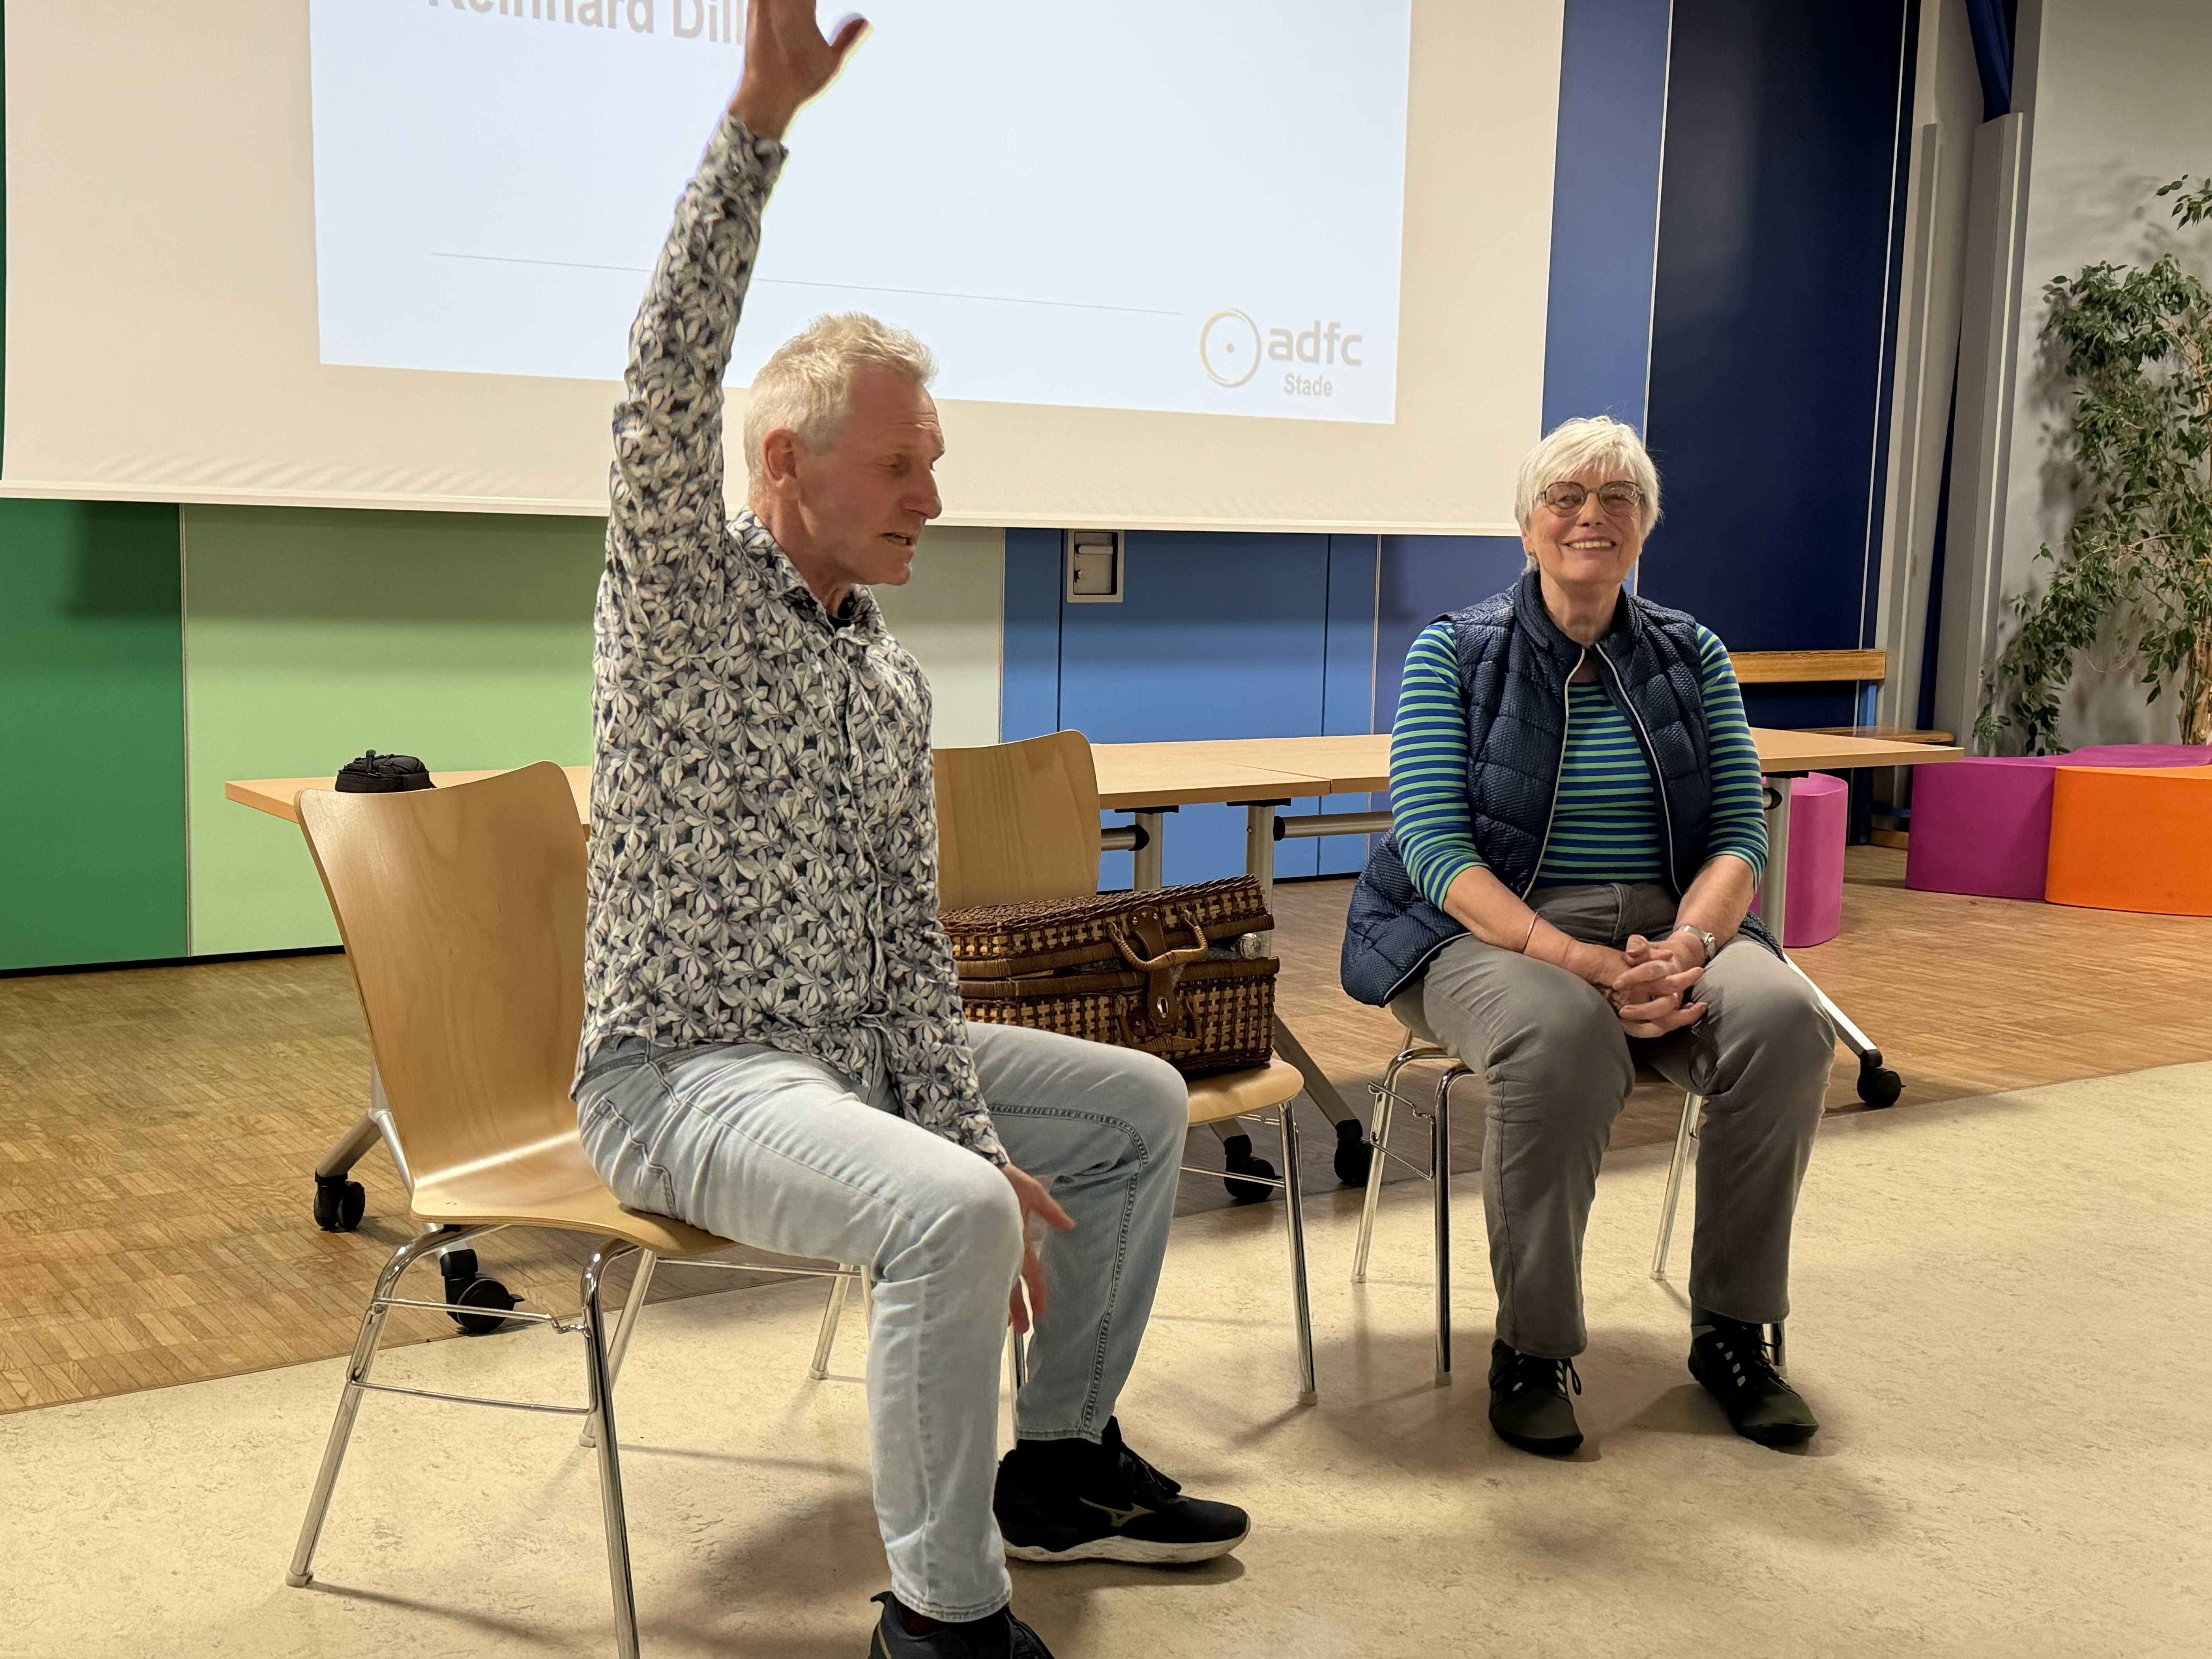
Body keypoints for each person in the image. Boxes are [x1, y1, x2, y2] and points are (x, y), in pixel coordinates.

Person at [570, 7, 1247, 1655]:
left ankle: (1061, 1461)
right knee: (948, 1210)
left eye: (936, 465)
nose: (932, 503)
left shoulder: (884, 683)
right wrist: (755, 130)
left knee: (1135, 1106)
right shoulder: (680, 597)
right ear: (786, 463)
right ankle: (939, 1621)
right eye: (900, 468)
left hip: (851, 1061)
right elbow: (663, 383)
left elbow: (903, 969)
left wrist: (964, 1124)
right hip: (687, 1077)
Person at [1340, 416, 1836, 1456]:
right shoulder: (1455, 650)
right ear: (1527, 525)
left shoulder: (1692, 652)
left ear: (1645, 528)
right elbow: (1433, 845)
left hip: (1669, 927)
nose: (1591, 515)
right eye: (1568, 494)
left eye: (1618, 498)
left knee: (1788, 1018)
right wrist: (1577, 961)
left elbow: (1742, 831)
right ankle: (1533, 1347)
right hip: (1485, 931)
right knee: (1562, 1036)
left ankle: (1736, 1333)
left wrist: (1690, 947)